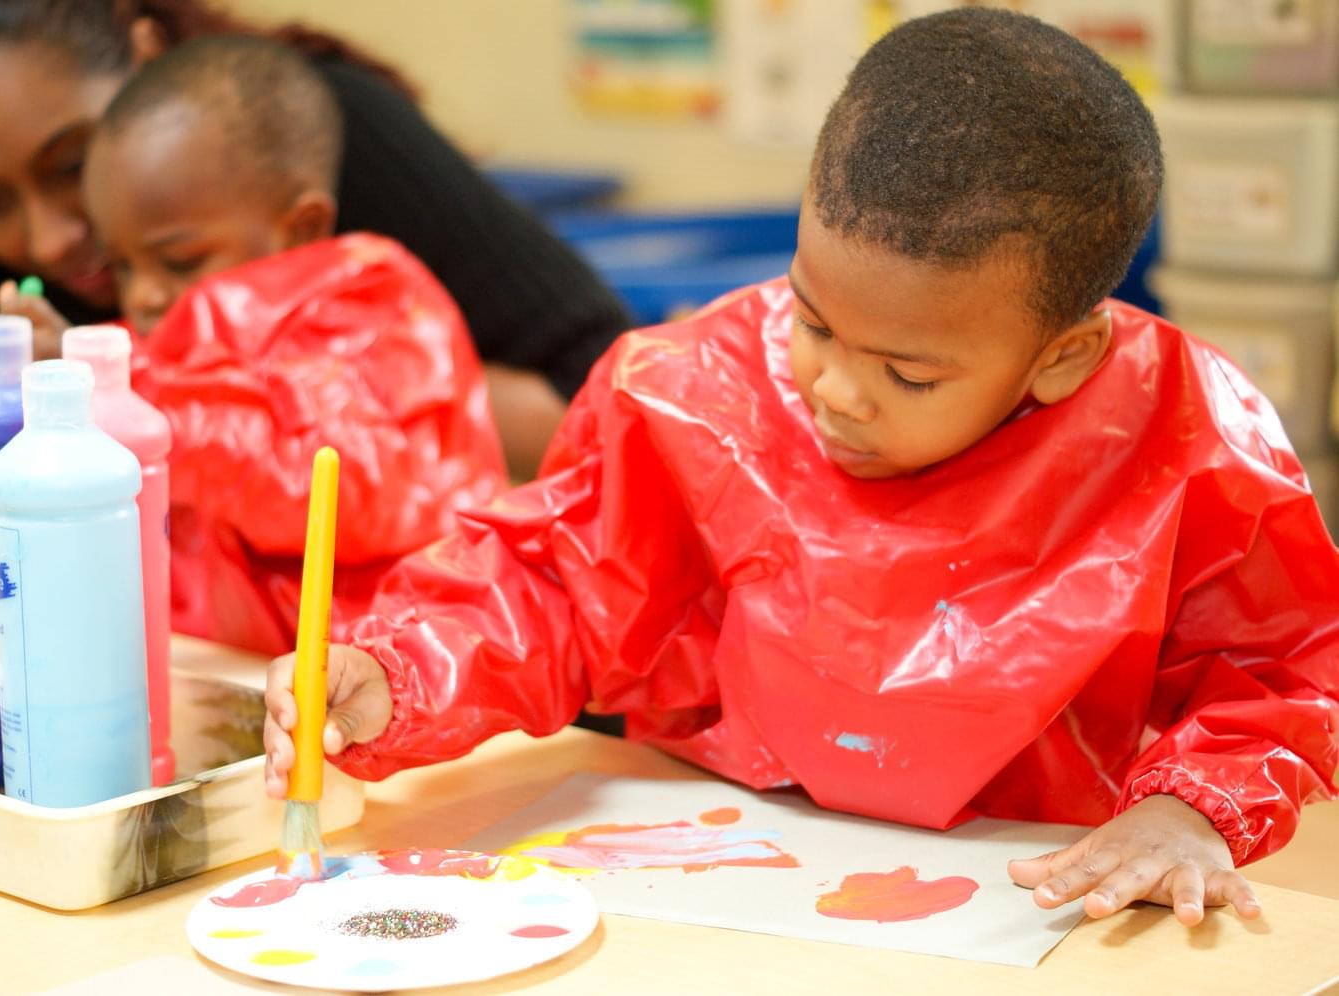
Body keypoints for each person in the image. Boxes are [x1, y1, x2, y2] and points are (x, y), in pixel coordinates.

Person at [262, 9, 1339, 925]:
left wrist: (1190, 809)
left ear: (1063, 357)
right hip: (723, 872)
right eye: (812, 319)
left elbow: (1285, 671)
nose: (834, 389)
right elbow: (553, 582)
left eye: (907, 375)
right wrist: (401, 672)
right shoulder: (690, 390)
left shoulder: (1178, 438)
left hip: (1028, 902)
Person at [0, 0, 629, 477]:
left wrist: (351, 389)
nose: (51, 240)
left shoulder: (311, 135)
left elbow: (609, 406)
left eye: (72, 164)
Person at [75, 34, 506, 654]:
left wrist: (136, 396)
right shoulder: (160, 350)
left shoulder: (373, 305)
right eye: (119, 266)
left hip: (391, 667)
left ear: (301, 228)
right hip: (233, 669)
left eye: (179, 260)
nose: (143, 294)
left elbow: (336, 489)